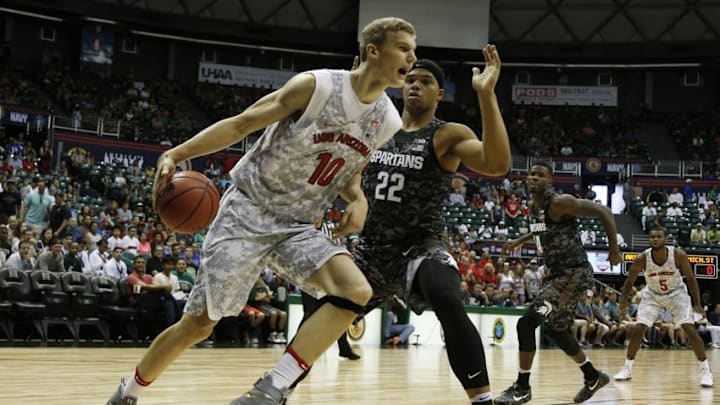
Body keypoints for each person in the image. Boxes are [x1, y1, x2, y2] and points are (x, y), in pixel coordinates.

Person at [107, 16, 417, 405]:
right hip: (248, 211)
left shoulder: (387, 119)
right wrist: (177, 153)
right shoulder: (317, 86)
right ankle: (128, 392)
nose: (413, 57)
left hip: (299, 225)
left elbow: (349, 169)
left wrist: (358, 199)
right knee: (200, 325)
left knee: (355, 291)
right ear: (373, 50)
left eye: (414, 50)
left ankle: (273, 387)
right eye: (404, 48)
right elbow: (242, 124)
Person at [290, 49, 509, 404]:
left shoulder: (447, 135)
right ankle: (277, 387)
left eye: (426, 82)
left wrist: (485, 94)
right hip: (371, 252)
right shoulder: (378, 128)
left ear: (440, 94)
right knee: (321, 311)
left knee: (444, 292)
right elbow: (348, 176)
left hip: (420, 246)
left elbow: (497, 164)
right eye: (410, 80)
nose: (415, 86)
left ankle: (482, 398)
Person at [494, 161, 621, 405]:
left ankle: (522, 387)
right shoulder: (535, 206)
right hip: (556, 274)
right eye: (531, 174)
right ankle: (593, 377)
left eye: (540, 175)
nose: (533, 178)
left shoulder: (560, 202)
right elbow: (541, 229)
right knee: (556, 330)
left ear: (550, 181)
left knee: (526, 323)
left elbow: (603, 212)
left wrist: (613, 250)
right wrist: (519, 240)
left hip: (572, 274)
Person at [613, 227, 714, 387]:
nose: (655, 239)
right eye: (652, 237)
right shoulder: (642, 258)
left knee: (689, 328)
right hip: (652, 294)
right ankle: (627, 368)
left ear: (665, 239)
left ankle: (705, 370)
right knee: (639, 328)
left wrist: (697, 305)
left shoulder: (677, 255)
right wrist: (622, 307)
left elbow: (691, 278)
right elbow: (628, 284)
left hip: (676, 293)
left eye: (659, 236)